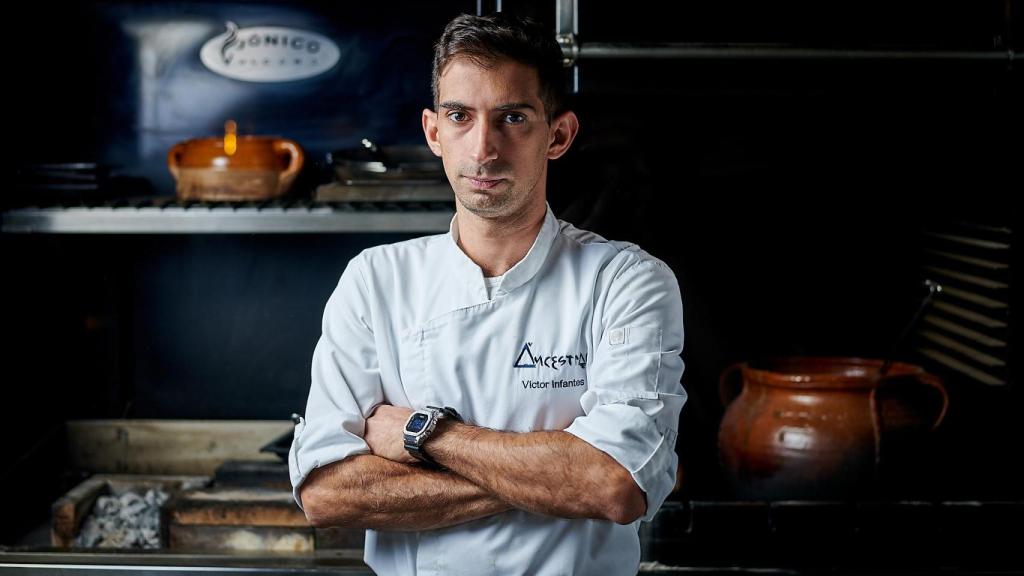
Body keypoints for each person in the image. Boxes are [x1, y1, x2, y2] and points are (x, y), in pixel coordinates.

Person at [288, 12, 686, 576]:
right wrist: (561, 474)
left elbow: (616, 486)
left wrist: (426, 434)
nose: (483, 149)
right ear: (433, 132)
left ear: (558, 135)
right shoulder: (375, 280)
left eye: (513, 118)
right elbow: (327, 493)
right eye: (459, 116)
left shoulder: (625, 281)